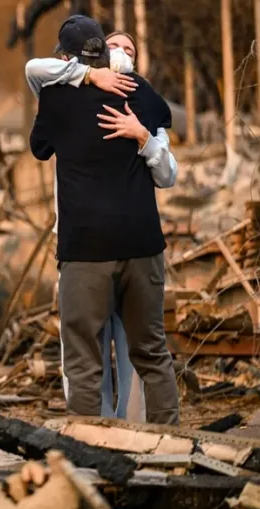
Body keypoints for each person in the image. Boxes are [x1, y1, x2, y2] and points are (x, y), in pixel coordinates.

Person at [30, 15, 180, 424]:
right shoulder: (141, 93)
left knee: (83, 360)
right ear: (105, 52)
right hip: (141, 244)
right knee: (151, 353)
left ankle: (87, 450)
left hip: (85, 250)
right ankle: (172, 446)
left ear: (66, 56)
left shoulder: (56, 98)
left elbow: (39, 148)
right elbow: (163, 117)